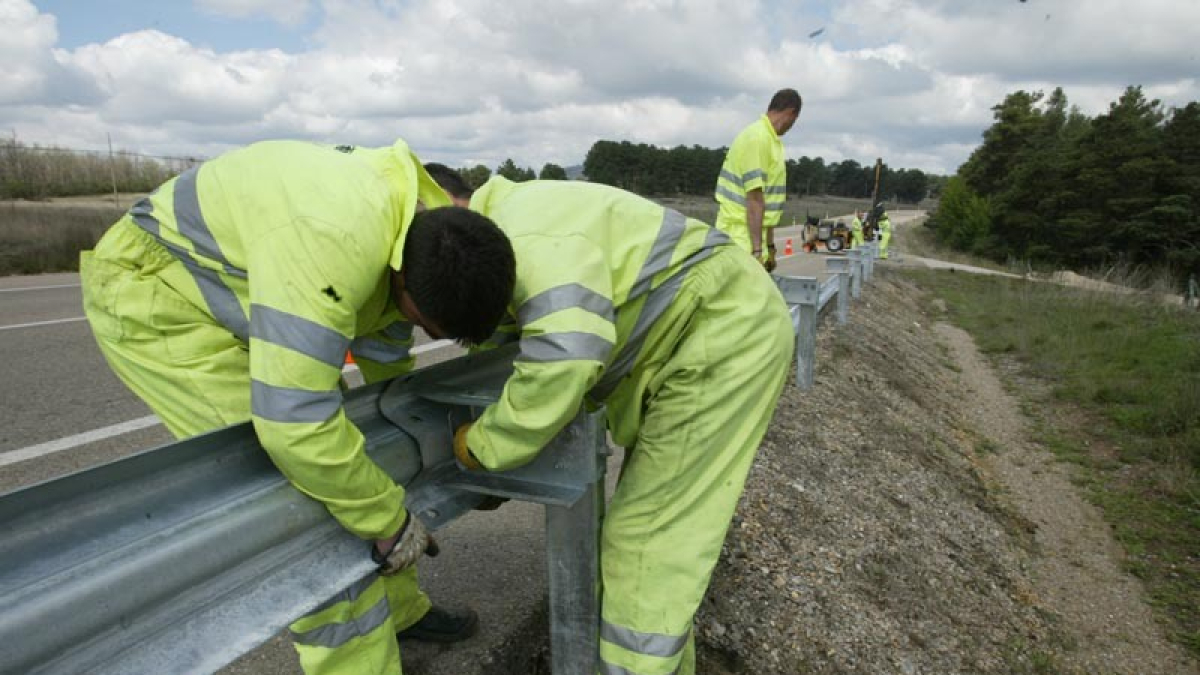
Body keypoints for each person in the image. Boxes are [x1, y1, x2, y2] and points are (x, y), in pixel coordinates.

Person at [80, 139, 516, 675]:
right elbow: (296, 425)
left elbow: (384, 344)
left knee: (366, 454)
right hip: (161, 293)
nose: (421, 333)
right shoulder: (333, 244)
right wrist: (383, 516)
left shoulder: (426, 225)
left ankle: (399, 612)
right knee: (309, 498)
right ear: (404, 276)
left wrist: (404, 430)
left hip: (254, 284)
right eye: (426, 325)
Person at [425, 164, 795, 675]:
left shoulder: (524, 233)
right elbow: (523, 362)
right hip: (702, 333)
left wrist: (487, 447)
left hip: (718, 334)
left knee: (645, 545)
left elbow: (566, 355)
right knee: (654, 547)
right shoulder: (502, 237)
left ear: (446, 203)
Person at [714, 88, 802, 272]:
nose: (792, 126)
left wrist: (769, 247)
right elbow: (754, 199)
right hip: (739, 235)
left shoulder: (772, 141)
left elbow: (767, 204)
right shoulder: (757, 139)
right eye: (795, 121)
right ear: (791, 112)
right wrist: (756, 252)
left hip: (752, 235)